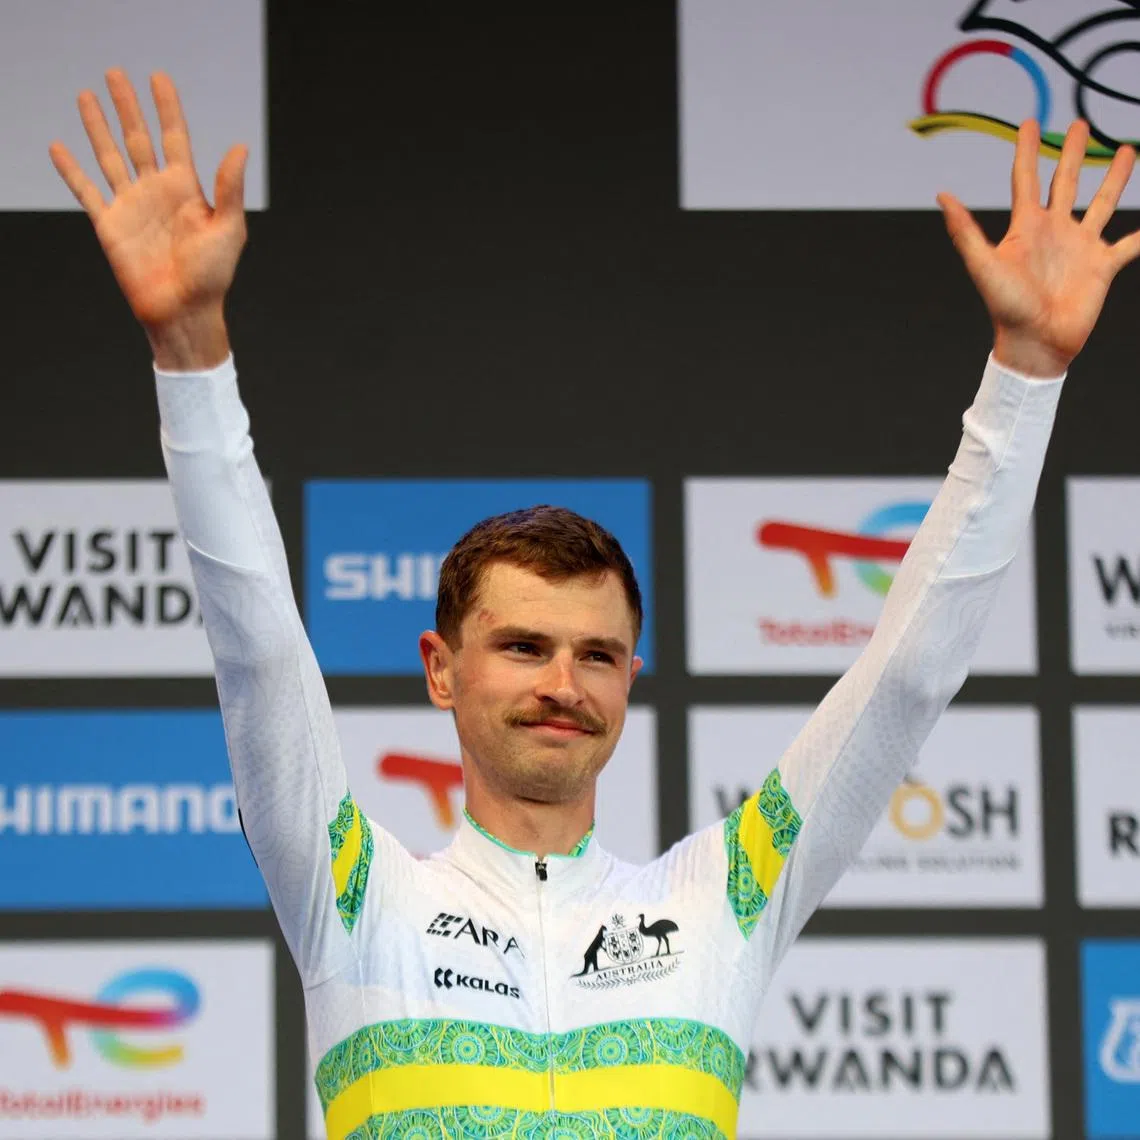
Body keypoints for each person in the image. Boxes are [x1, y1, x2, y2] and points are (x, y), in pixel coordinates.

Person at [50, 69, 1138, 1140]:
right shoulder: (357, 899)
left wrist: (1027, 370)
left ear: (631, 679)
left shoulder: (724, 902)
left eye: (597, 655)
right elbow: (260, 654)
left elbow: (905, 678)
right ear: (441, 668)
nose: (563, 685)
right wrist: (188, 352)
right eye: (523, 646)